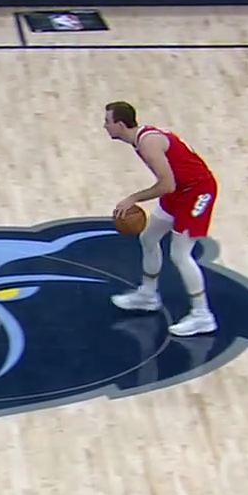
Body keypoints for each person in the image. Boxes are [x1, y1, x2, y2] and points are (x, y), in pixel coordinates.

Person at [104, 101, 219, 337]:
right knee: (148, 238)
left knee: (180, 254)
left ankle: (202, 316)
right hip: (179, 190)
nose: (105, 126)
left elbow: (166, 185)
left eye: (108, 121)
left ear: (121, 124)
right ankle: (148, 295)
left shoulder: (148, 143)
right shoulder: (141, 139)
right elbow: (171, 184)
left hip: (197, 191)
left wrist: (133, 198)